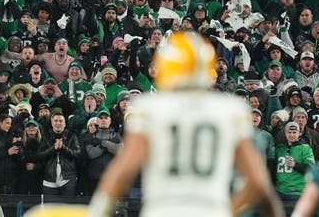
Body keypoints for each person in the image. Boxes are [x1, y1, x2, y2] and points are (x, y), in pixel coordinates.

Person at [87, 32, 284, 217]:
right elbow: (258, 182)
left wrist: (97, 211)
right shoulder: (228, 109)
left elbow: (123, 171)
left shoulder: (150, 108)